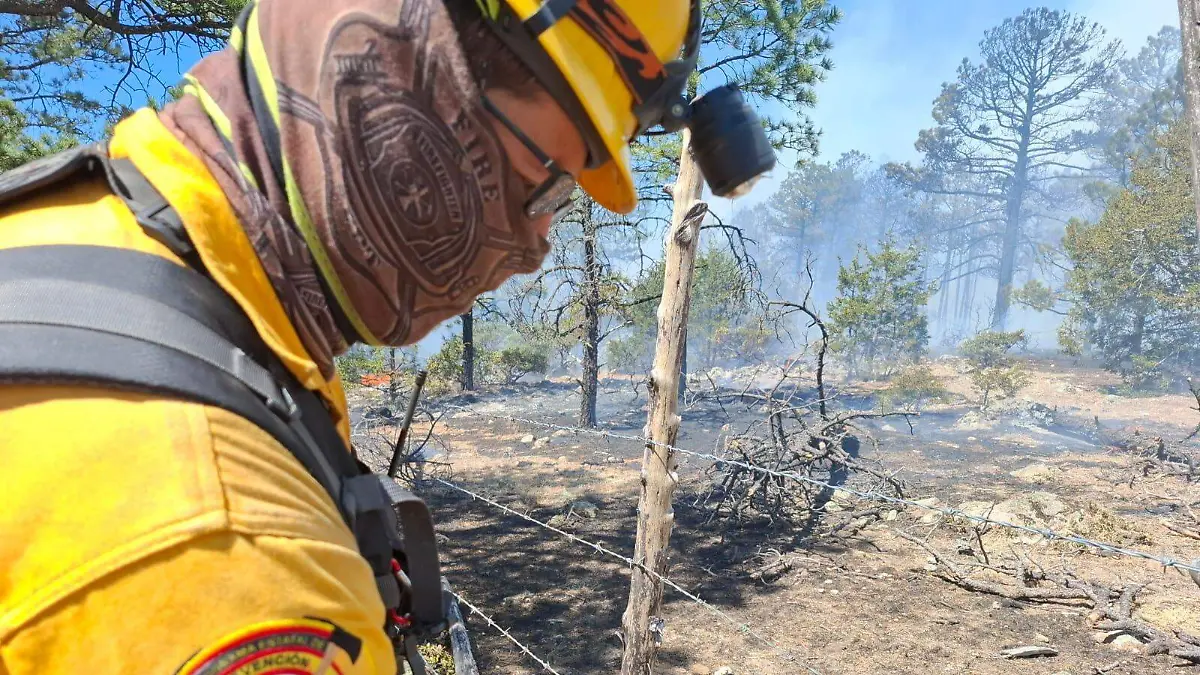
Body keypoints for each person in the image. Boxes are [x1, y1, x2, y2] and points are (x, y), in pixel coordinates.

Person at [0, 0, 733, 672]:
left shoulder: (96, 235)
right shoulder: (242, 564)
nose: (539, 242)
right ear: (407, 64)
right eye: (546, 186)